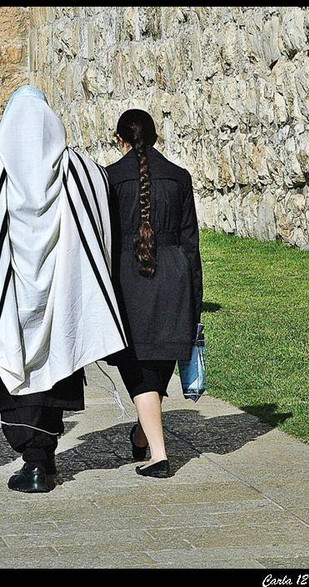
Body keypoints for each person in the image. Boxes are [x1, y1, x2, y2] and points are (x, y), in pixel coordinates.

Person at [0, 85, 127, 493]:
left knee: (13, 368)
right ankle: (44, 457)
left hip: (10, 292)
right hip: (61, 293)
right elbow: (101, 223)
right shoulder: (79, 169)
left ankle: (33, 461)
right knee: (56, 367)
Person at [105, 109, 203, 479]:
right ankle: (143, 435)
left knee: (140, 369)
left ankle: (158, 455)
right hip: (174, 277)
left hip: (127, 279)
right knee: (157, 365)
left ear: (120, 140)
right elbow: (191, 243)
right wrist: (195, 298)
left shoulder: (110, 178)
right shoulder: (179, 176)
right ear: (156, 137)